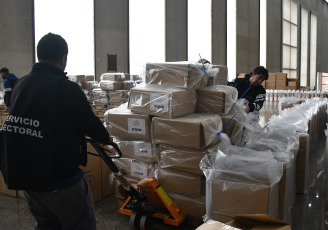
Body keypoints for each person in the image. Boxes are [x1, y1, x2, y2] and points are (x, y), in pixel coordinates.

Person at [0, 33, 110, 230]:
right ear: (63, 58)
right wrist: (107, 138)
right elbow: (93, 127)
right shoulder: (66, 88)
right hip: (62, 181)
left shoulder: (21, 84)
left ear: (39, 55)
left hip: (29, 181)